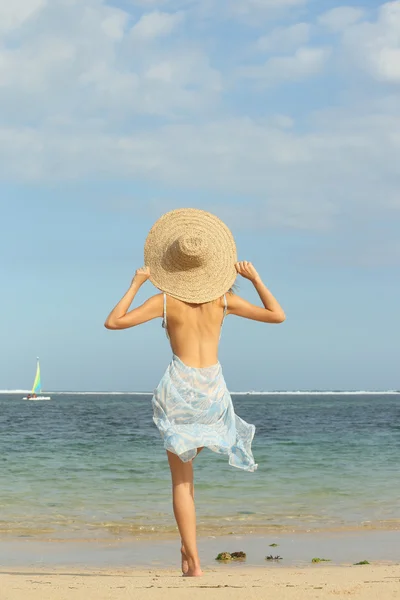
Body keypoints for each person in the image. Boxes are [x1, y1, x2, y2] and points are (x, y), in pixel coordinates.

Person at [104, 208, 285, 577]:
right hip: (212, 389)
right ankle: (189, 554)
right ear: (212, 267)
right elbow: (276, 315)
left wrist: (137, 283)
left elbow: (113, 322)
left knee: (182, 482)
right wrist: (255, 278)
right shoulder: (224, 301)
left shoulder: (165, 302)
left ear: (172, 267)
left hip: (180, 387)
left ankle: (193, 560)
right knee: (189, 473)